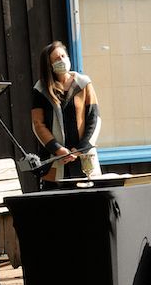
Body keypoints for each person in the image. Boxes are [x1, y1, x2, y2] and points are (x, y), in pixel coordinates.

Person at [31, 40, 101, 189]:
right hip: (55, 162)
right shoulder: (40, 89)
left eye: (63, 56)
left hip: (84, 160)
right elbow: (38, 124)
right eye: (57, 58)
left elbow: (94, 119)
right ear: (49, 65)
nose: (62, 60)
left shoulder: (84, 84)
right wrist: (58, 149)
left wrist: (80, 149)